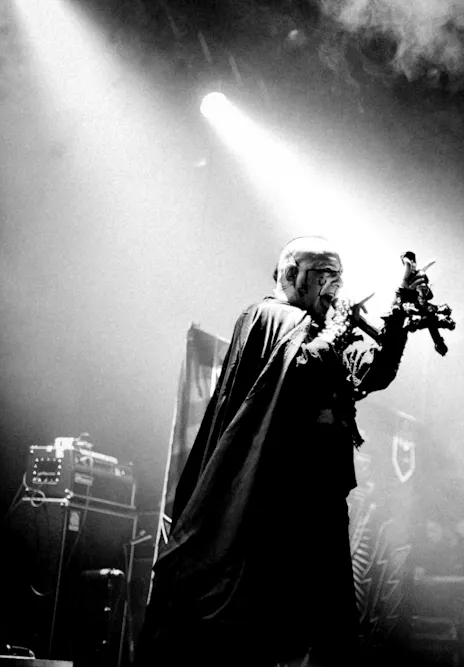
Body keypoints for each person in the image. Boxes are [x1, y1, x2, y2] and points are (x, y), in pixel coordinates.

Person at [136, 236, 428, 667]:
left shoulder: (319, 329)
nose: (335, 287)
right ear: (292, 274)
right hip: (272, 496)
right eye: (325, 275)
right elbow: (300, 373)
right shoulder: (267, 316)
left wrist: (399, 311)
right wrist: (338, 326)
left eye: (340, 277)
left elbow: (373, 373)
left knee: (324, 623)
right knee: (254, 617)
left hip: (318, 496)